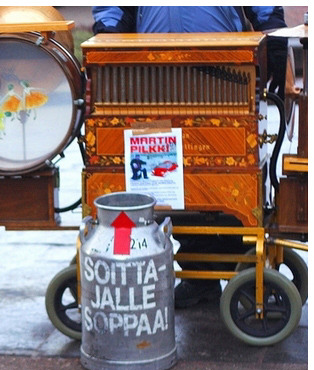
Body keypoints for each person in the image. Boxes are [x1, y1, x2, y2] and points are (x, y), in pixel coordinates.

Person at [91, 6, 288, 308]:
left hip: (223, 69)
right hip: (153, 71)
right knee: (173, 178)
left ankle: (245, 271)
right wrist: (109, 33)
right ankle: (200, 276)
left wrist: (274, 35)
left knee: (227, 170)